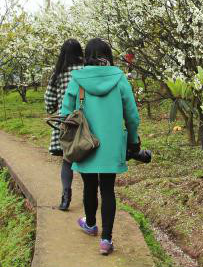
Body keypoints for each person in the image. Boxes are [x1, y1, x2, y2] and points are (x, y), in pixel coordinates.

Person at [59, 38, 140, 256]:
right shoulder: (119, 78)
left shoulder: (77, 79)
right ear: (108, 56)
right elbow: (131, 115)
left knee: (89, 186)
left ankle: (91, 224)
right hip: (112, 146)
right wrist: (133, 140)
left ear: (86, 56)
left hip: (86, 144)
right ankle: (106, 240)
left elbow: (65, 113)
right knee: (107, 189)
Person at [44, 38, 84, 211]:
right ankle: (89, 196)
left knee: (67, 161)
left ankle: (65, 198)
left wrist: (56, 107)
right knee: (85, 159)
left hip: (65, 123)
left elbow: (49, 101)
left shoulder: (58, 73)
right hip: (84, 122)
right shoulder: (85, 71)